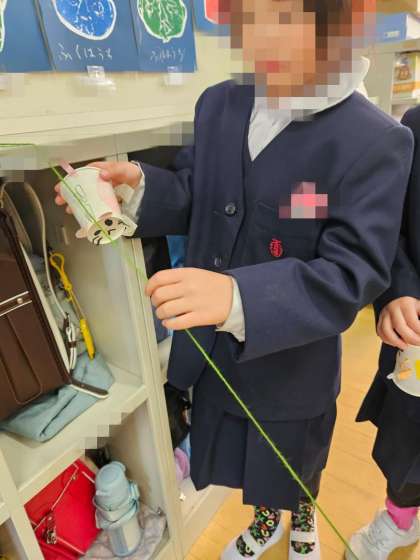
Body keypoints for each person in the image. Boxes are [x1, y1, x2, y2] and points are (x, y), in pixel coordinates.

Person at [56, 1, 413, 558]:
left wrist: (239, 295)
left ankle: (303, 520)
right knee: (248, 462)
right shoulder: (220, 103)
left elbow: (353, 270)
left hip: (294, 367)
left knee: (295, 461)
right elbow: (198, 193)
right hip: (216, 356)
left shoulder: (374, 140)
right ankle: (266, 520)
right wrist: (140, 188)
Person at [348, 106, 420, 560]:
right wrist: (397, 290)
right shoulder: (413, 128)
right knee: (406, 448)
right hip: (415, 339)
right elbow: (387, 225)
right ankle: (401, 520)